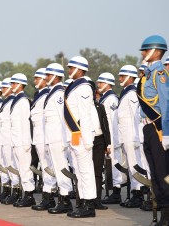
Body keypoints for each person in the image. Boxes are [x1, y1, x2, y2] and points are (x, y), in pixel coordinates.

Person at [138, 35, 169, 225]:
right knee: (155, 173)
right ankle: (162, 207)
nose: (142, 53)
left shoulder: (160, 75)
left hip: (158, 130)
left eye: (145, 49)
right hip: (149, 128)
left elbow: (166, 105)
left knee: (163, 172)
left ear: (155, 52)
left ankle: (167, 213)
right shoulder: (148, 74)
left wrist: (166, 132)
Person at [65, 56, 96, 218]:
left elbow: (85, 115)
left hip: (82, 137)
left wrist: (87, 140)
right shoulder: (74, 86)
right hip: (74, 136)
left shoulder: (84, 87)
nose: (69, 70)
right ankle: (82, 202)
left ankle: (89, 205)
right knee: (78, 171)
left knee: (85, 171)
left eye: (71, 67)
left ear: (79, 69)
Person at [42, 63, 73, 214]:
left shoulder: (60, 93)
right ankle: (62, 197)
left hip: (59, 138)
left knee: (61, 169)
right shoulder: (53, 92)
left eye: (48, 75)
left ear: (55, 75)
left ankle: (65, 199)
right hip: (52, 137)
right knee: (56, 168)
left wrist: (65, 140)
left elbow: (63, 118)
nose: (46, 77)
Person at [117, 65, 145, 208]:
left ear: (129, 77)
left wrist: (136, 137)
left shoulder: (132, 93)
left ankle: (138, 194)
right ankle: (135, 192)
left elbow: (136, 116)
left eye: (122, 76)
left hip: (131, 136)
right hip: (126, 135)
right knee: (131, 167)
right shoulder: (126, 93)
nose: (120, 78)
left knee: (135, 166)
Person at [30, 68, 56, 211]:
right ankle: (47, 196)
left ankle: (49, 196)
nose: (35, 81)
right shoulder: (39, 94)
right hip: (38, 135)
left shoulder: (46, 94)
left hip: (45, 135)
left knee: (48, 167)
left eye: (37, 78)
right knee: (46, 167)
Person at [96, 73, 125, 205]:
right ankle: (114, 191)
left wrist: (111, 142)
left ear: (107, 83)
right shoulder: (105, 98)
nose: (98, 85)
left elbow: (113, 122)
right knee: (111, 166)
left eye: (101, 83)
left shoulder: (111, 99)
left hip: (112, 138)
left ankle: (117, 193)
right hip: (109, 138)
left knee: (115, 165)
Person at [9, 73, 36, 207]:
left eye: (14, 83)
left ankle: (29, 195)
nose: (11, 86)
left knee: (25, 169)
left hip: (22, 141)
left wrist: (26, 142)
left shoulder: (23, 100)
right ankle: (26, 193)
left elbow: (26, 123)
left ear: (20, 84)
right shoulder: (17, 99)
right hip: (16, 141)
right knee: (21, 168)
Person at [86, 77, 111, 210]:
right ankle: (84, 200)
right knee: (85, 171)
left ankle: (97, 200)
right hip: (85, 141)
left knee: (97, 171)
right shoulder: (80, 107)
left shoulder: (99, 107)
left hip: (99, 140)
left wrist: (108, 144)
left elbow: (106, 126)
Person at [0, 78, 20, 205]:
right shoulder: (7, 101)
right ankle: (11, 190)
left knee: (13, 164)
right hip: (4, 137)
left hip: (10, 137)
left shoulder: (12, 101)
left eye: (4, 87)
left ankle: (16, 190)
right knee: (8, 164)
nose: (3, 90)